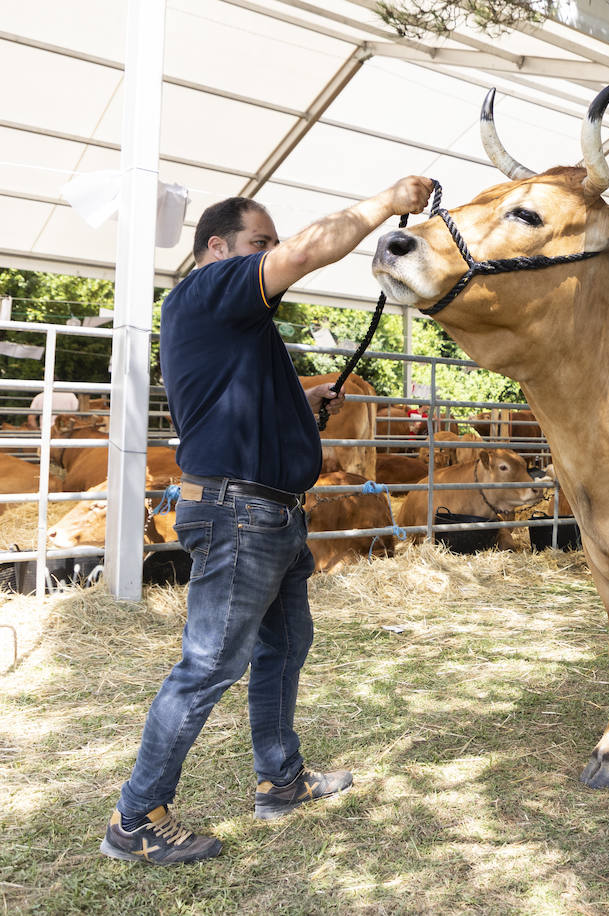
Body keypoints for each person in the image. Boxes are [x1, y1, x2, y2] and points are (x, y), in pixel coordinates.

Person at [100, 176, 433, 866]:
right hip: (239, 513)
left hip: (268, 515)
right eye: (261, 243)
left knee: (284, 645)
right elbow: (313, 250)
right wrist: (383, 201)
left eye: (272, 245)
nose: (273, 254)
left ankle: (280, 781)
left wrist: (304, 394)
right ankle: (135, 818)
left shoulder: (233, 325)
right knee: (208, 664)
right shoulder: (209, 288)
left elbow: (236, 400)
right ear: (217, 248)